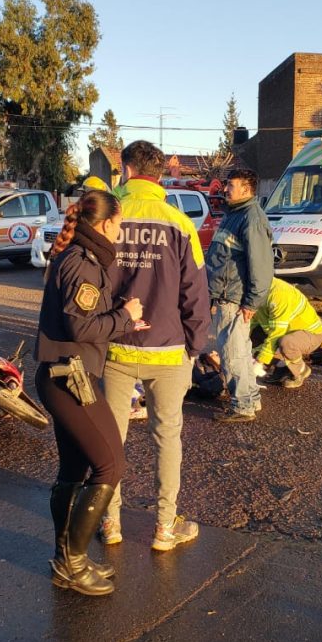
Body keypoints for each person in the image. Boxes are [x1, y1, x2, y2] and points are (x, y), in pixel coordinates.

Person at [100, 141, 211, 552]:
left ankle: (109, 523)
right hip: (167, 350)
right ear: (160, 175)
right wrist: (196, 345)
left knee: (111, 438)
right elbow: (195, 293)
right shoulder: (179, 223)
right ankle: (165, 528)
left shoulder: (108, 219)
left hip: (115, 347)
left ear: (126, 171)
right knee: (167, 437)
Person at [35, 190, 144, 596]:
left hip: (64, 374)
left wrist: (120, 316)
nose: (121, 231)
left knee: (74, 470)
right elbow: (82, 328)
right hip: (70, 378)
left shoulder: (81, 258)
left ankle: (67, 557)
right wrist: (125, 317)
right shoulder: (82, 263)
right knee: (110, 466)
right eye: (119, 223)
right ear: (105, 225)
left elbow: (81, 317)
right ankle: (72, 563)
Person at [206, 167, 274, 421]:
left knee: (232, 353)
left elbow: (262, 265)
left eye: (231, 185)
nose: (225, 188)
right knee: (240, 351)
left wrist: (252, 302)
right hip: (228, 294)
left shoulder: (250, 218)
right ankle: (250, 398)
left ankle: (243, 405)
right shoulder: (235, 214)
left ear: (246, 189)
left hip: (234, 297)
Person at [250, 278, 322, 389]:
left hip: (309, 334)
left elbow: (277, 333)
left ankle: (301, 370)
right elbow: (253, 321)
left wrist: (260, 361)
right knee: (254, 337)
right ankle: (282, 367)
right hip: (282, 332)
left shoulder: (279, 294)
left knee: (287, 343)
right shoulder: (257, 291)